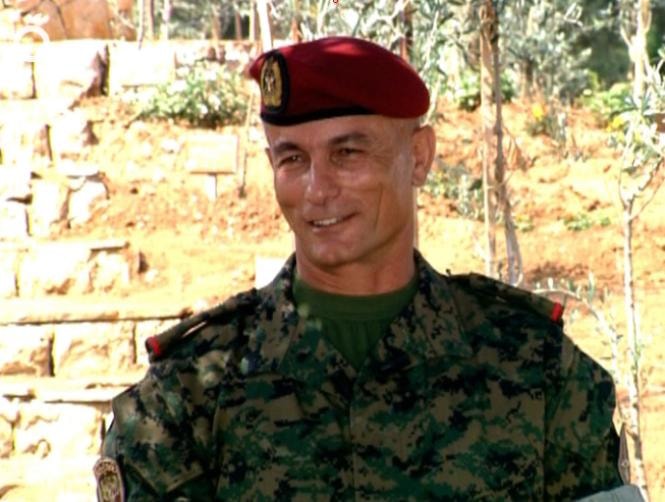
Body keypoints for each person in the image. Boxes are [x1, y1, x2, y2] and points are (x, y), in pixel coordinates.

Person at [95, 36, 624, 501]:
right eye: (292, 159)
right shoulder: (186, 393)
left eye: (347, 153)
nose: (317, 189)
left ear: (419, 157)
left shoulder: (537, 369)